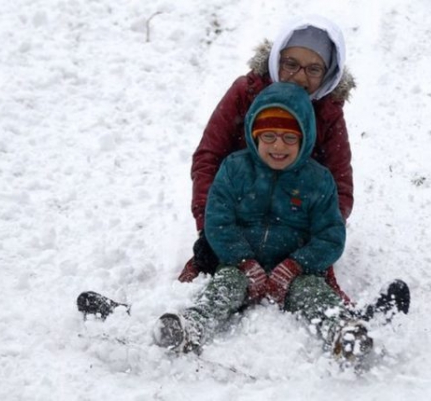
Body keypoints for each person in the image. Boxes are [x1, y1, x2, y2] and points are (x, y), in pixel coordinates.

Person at [153, 83, 373, 367]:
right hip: (240, 266)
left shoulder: (318, 181)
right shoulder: (234, 169)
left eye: (289, 138)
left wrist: (296, 265)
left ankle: (343, 332)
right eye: (269, 136)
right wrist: (242, 260)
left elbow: (330, 235)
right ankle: (191, 326)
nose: (278, 146)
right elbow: (218, 221)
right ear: (254, 135)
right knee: (224, 286)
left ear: (305, 138)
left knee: (314, 295)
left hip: (296, 272)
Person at [179, 15, 355, 303]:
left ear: (328, 73)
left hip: (296, 221)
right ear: (276, 59)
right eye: (291, 64)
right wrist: (208, 226)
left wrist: (317, 239)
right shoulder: (246, 92)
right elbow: (208, 157)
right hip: (241, 212)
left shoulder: (328, 111)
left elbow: (340, 182)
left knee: (314, 290)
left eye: (313, 69)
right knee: (209, 281)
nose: (300, 77)